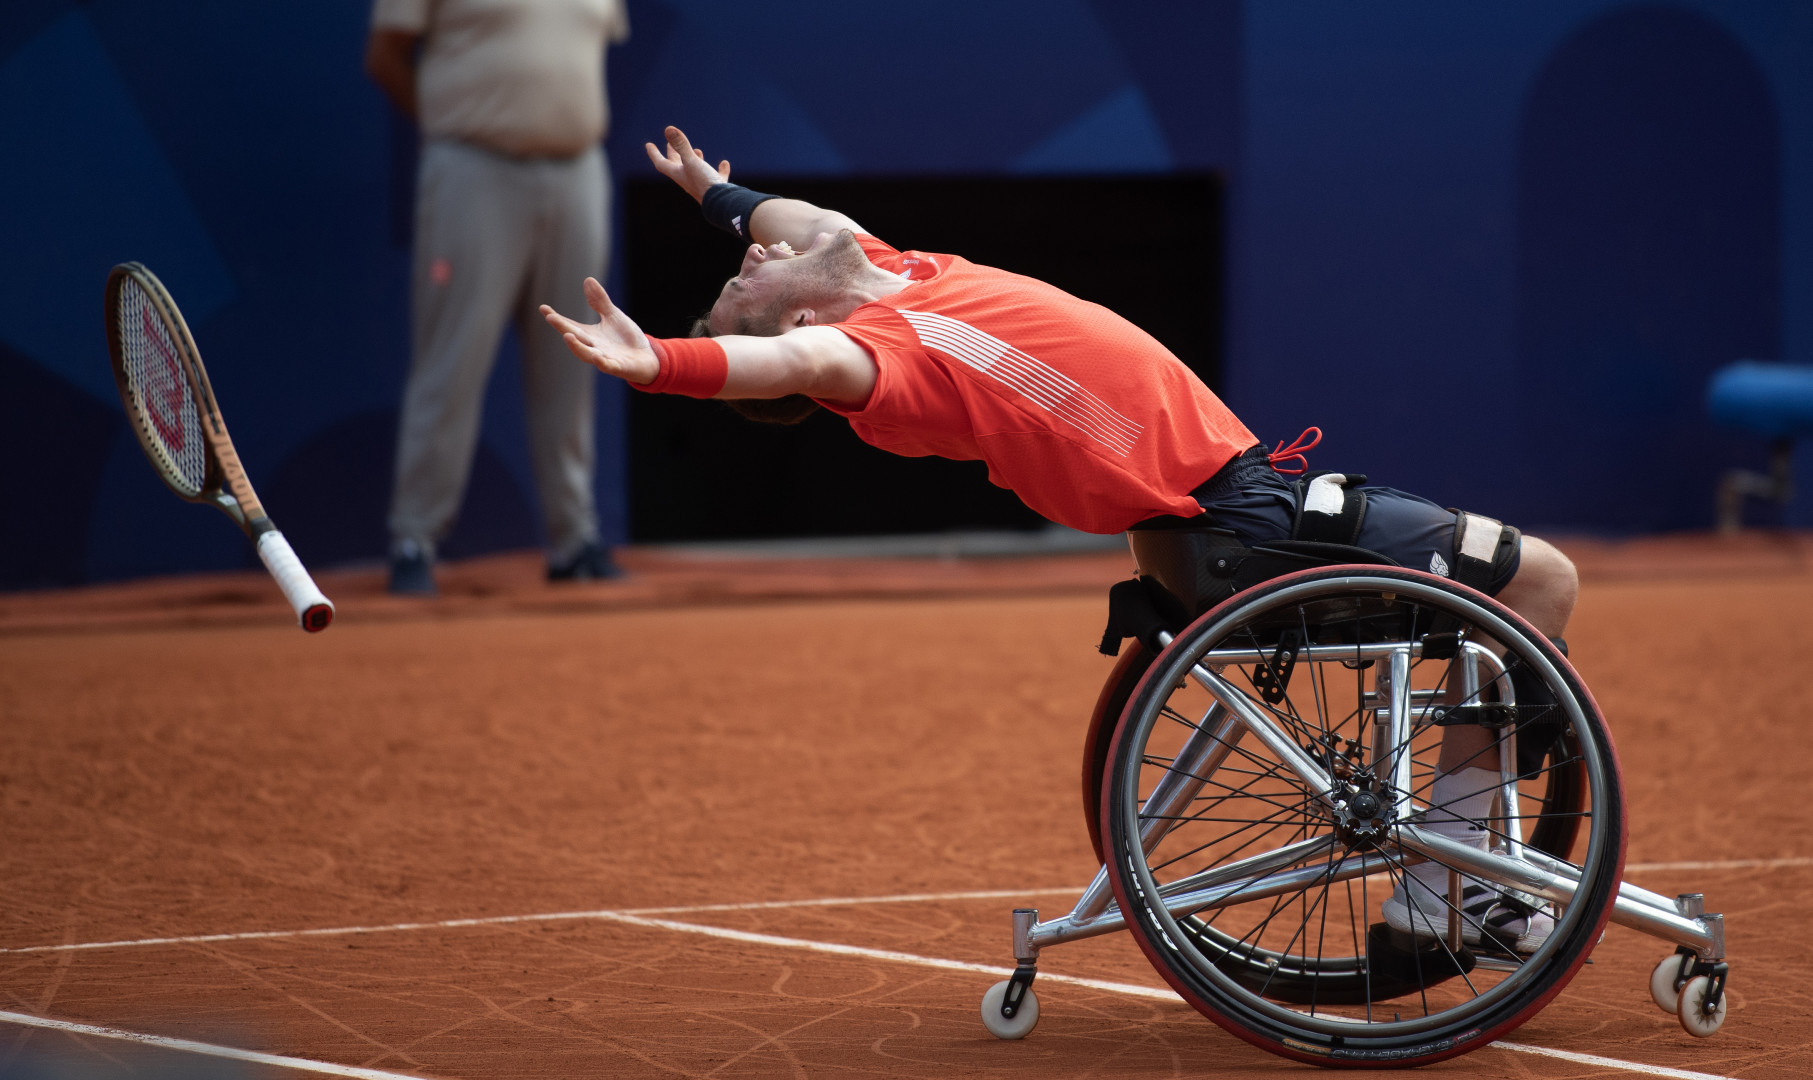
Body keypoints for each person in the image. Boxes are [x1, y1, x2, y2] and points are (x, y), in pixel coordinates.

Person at [541, 126, 1583, 953]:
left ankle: (1458, 868)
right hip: (1242, 524)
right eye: (742, 282)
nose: (753, 254)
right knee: (1539, 582)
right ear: (792, 321)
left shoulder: (897, 270)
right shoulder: (871, 356)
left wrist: (713, 197)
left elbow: (802, 222)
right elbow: (789, 367)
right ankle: (1452, 885)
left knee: (1509, 615)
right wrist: (662, 365)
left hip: (1239, 504)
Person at [365, 0, 629, 595]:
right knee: (451, 361)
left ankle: (575, 540)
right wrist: (452, 122)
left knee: (579, 357)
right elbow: (384, 56)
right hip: (472, 168)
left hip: (579, 170)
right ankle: (415, 539)